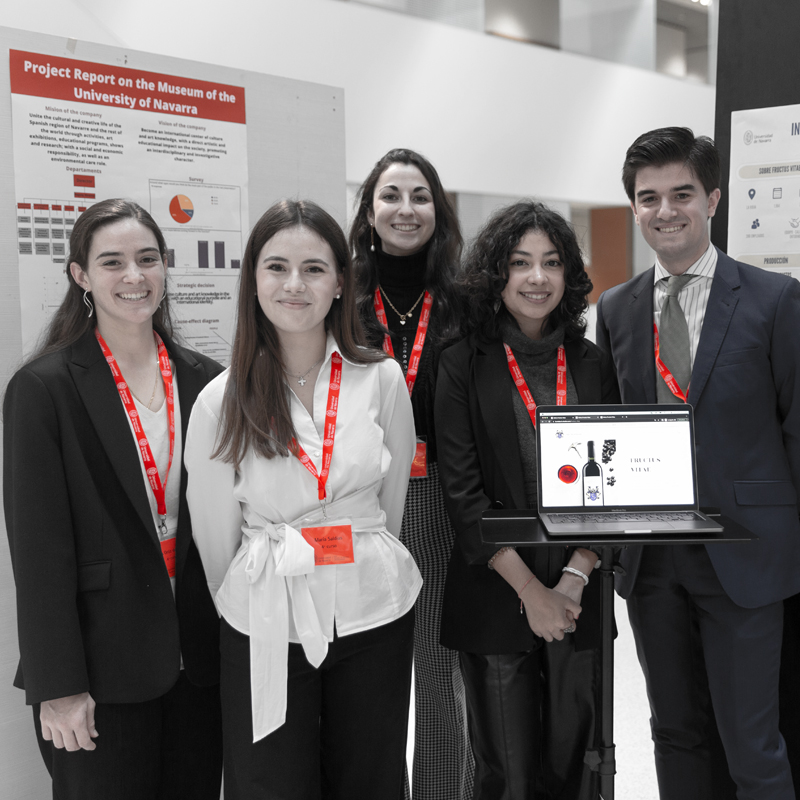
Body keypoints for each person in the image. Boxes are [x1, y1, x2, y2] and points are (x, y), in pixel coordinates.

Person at [184, 199, 421, 799]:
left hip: (372, 607)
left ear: (340, 282)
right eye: (277, 267)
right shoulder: (220, 400)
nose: (295, 284)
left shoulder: (382, 379)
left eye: (314, 269)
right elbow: (215, 539)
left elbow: (389, 508)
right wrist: (254, 587)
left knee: (370, 777)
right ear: (253, 280)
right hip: (265, 616)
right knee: (271, 782)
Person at [595, 126, 800, 800]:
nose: (666, 210)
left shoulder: (773, 299)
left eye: (682, 193)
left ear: (712, 200)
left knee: (753, 747)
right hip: (654, 562)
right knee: (675, 734)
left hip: (745, 554)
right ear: (635, 208)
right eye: (648, 197)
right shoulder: (617, 308)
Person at [3, 199, 224, 800]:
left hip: (200, 666)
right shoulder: (42, 389)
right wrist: (59, 687)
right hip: (100, 673)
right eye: (112, 262)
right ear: (81, 275)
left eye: (148, 259)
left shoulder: (207, 379)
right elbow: (38, 554)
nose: (134, 276)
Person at [436, 200, 619, 799]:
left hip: (578, 593)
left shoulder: (592, 364)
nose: (537, 277)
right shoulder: (461, 362)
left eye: (551, 262)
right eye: (520, 262)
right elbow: (463, 494)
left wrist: (572, 579)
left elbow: (612, 487)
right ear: (497, 274)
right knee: (508, 777)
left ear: (568, 275)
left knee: (577, 770)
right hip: (496, 591)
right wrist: (531, 593)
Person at [350, 147, 473, 800]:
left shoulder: (465, 301)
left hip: (437, 502)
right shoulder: (341, 299)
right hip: (355, 502)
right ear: (369, 211)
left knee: (437, 671)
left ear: (438, 210)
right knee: (365, 674)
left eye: (420, 196)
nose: (406, 209)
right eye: (391, 195)